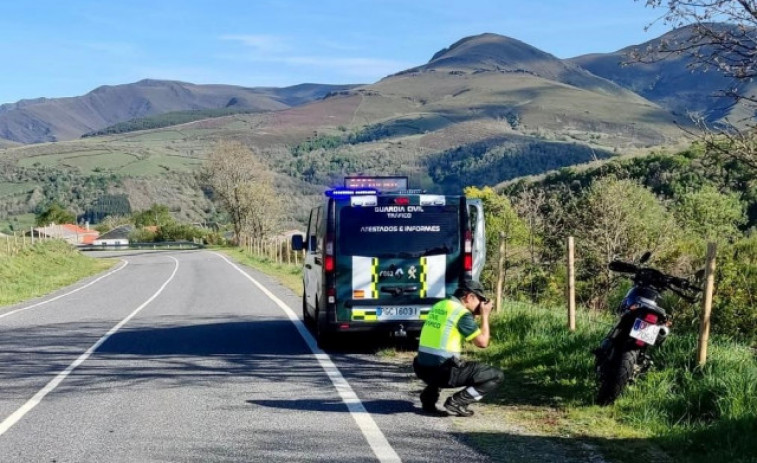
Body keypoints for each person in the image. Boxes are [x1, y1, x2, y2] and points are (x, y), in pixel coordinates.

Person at [412, 279, 504, 417]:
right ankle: (458, 402)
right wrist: (485, 316)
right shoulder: (460, 313)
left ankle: (428, 398)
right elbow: (483, 343)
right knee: (496, 375)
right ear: (469, 297)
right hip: (443, 373)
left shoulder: (440, 305)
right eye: (480, 300)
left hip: (421, 368)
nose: (481, 304)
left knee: (445, 360)